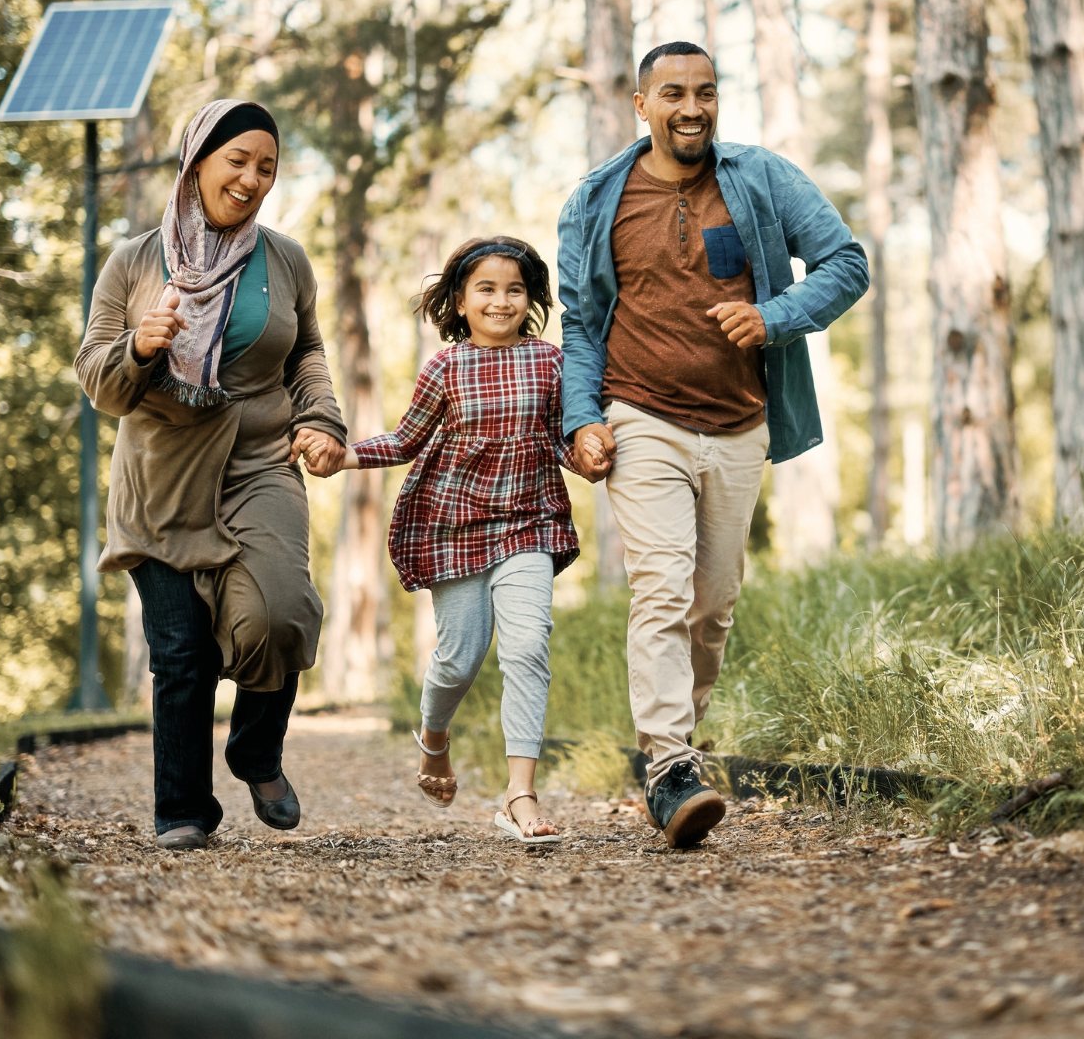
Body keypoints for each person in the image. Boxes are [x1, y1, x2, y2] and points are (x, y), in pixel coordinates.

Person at [557, 41, 869, 848]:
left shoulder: (761, 177)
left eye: (705, 91)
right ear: (641, 104)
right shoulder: (598, 198)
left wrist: (774, 318)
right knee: (660, 586)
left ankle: (676, 752)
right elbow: (584, 325)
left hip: (738, 422)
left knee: (712, 606)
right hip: (642, 415)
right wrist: (582, 418)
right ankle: (668, 767)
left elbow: (846, 262)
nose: (690, 107)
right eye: (672, 93)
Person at [75, 98, 347, 852]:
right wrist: (138, 346)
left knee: (281, 613)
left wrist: (322, 420)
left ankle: (256, 749)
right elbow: (96, 381)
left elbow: (307, 355)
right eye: (239, 161)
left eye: (268, 167)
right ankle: (183, 809)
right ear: (196, 164)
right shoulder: (133, 260)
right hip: (161, 476)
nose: (254, 179)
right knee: (183, 652)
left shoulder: (285, 259)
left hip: (259, 460)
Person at [302, 236, 604, 845]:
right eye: (486, 289)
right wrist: (345, 456)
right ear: (461, 301)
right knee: (459, 657)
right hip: (455, 528)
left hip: (529, 522)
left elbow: (561, 439)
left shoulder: (549, 362)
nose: (502, 301)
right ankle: (434, 737)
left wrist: (590, 456)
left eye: (514, 290)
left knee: (527, 649)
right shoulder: (446, 366)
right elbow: (406, 440)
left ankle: (520, 794)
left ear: (530, 298)